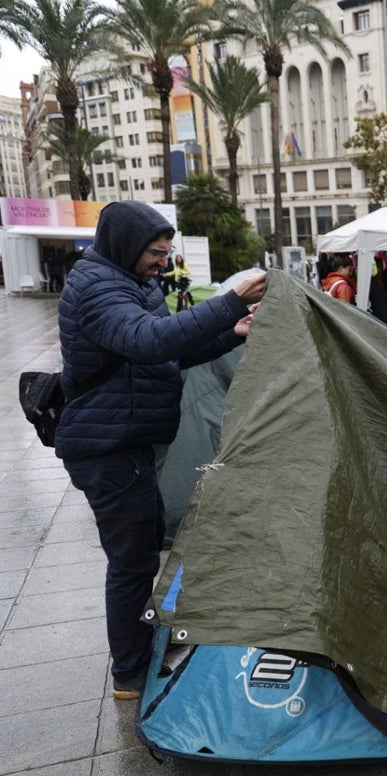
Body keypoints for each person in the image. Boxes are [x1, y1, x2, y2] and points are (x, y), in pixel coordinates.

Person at [55, 200, 266, 700]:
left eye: (167, 253)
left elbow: (168, 351)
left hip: (129, 440)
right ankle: (129, 672)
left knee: (143, 551)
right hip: (107, 447)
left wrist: (228, 334)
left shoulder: (133, 283)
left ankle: (140, 646)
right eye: (155, 252)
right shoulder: (96, 287)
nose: (162, 263)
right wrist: (231, 301)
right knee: (130, 562)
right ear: (127, 245)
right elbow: (149, 340)